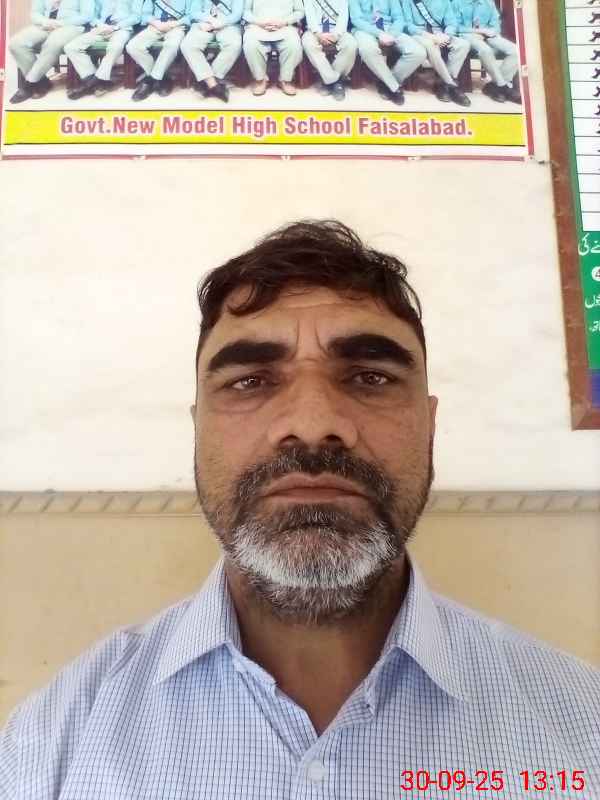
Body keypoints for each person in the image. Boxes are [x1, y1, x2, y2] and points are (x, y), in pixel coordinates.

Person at [0, 220, 599, 799]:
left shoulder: (582, 728)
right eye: (251, 381)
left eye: (370, 377)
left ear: (430, 425)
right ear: (197, 429)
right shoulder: (51, 743)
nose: (313, 425)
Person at [8, 0, 95, 104]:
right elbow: (35, 13)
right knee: (16, 44)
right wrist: (45, 21)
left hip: (71, 26)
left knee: (53, 44)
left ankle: (30, 83)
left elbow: (87, 15)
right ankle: (42, 82)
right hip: (45, 25)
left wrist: (60, 23)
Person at [350, 0, 426, 105]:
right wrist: (379, 33)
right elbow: (356, 20)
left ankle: (385, 83)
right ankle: (394, 86)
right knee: (368, 49)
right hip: (365, 29)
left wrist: (391, 33)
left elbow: (399, 18)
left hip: (390, 28)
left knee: (418, 52)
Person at [64, 0, 143, 99]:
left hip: (122, 28)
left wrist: (116, 27)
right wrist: (99, 25)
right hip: (101, 28)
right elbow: (92, 16)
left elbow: (136, 17)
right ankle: (94, 80)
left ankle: (91, 84)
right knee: (71, 47)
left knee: (115, 47)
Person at [402, 0, 471, 105]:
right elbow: (409, 26)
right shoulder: (408, 1)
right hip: (420, 35)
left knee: (463, 44)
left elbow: (452, 23)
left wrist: (446, 35)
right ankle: (452, 85)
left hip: (441, 34)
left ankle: (442, 84)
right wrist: (431, 37)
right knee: (431, 46)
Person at [454, 0, 521, 103]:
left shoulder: (488, 3)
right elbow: (455, 27)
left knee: (516, 50)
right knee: (485, 50)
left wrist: (490, 32)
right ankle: (502, 86)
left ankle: (495, 85)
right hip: (467, 35)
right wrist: (477, 31)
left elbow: (496, 26)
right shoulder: (457, 3)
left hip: (488, 35)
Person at [126, 0, 191, 100]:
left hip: (176, 26)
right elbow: (145, 14)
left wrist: (173, 24)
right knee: (132, 46)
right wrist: (156, 23)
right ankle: (163, 78)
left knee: (172, 45)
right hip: (156, 25)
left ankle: (149, 81)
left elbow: (190, 15)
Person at [180, 0, 243, 102]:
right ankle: (212, 84)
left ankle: (206, 82)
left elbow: (237, 14)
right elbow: (194, 12)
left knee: (234, 44)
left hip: (228, 25)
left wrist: (220, 23)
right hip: (203, 24)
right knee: (188, 45)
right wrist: (208, 20)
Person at [242, 0, 304, 95]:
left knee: (293, 45)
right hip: (258, 26)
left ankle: (285, 80)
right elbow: (246, 12)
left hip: (285, 26)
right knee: (251, 44)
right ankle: (261, 80)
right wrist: (259, 22)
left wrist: (285, 22)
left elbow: (300, 12)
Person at [301, 0, 357, 101]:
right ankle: (335, 81)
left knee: (351, 44)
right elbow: (310, 17)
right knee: (307, 42)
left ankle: (327, 80)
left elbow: (343, 18)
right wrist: (318, 34)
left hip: (336, 29)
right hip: (316, 30)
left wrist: (336, 35)